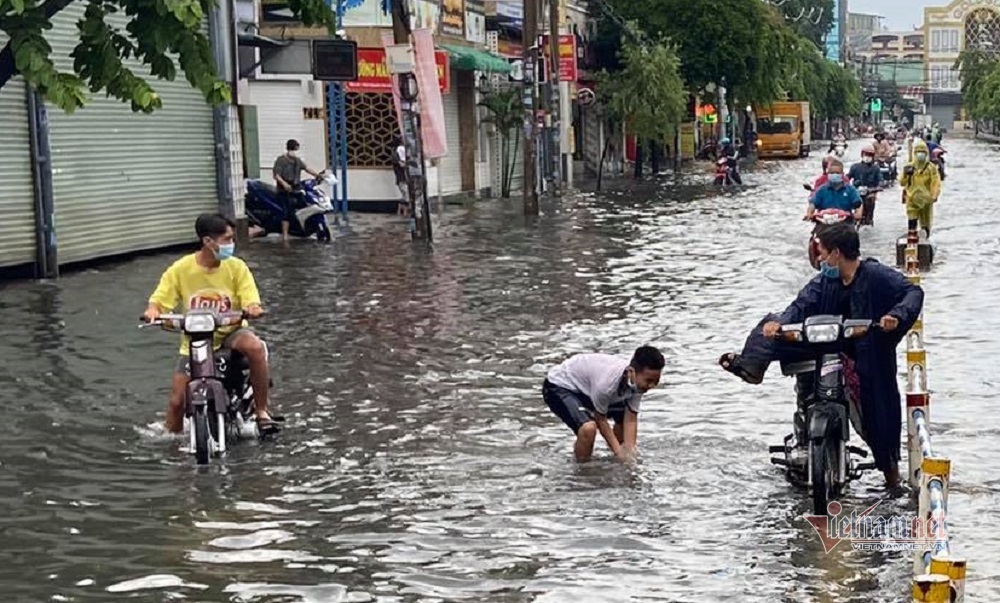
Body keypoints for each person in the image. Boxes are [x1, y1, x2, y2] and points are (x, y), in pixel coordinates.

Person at [718, 223, 924, 489]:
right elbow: (802, 304)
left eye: (824, 253)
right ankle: (751, 367)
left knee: (880, 418)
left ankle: (892, 480)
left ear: (836, 253)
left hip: (867, 353)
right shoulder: (825, 281)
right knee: (770, 323)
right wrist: (780, 324)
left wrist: (895, 316)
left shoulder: (875, 274)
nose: (821, 259)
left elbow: (913, 292)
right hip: (825, 344)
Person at [143, 214, 281, 434]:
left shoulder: (237, 268)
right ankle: (172, 442)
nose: (231, 245)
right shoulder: (180, 269)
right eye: (226, 240)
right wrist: (153, 311)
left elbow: (250, 298)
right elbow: (159, 300)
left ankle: (262, 411)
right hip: (195, 339)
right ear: (208, 241)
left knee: (254, 346)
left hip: (231, 331)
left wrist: (253, 308)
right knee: (176, 402)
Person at [542, 346, 665, 462]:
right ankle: (580, 472)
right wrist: (618, 452)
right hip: (559, 386)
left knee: (623, 429)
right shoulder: (607, 385)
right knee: (588, 429)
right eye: (648, 381)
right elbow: (600, 419)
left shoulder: (638, 384)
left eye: (656, 382)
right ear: (631, 372)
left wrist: (630, 451)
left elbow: (631, 417)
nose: (651, 386)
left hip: (588, 389)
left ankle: (614, 465)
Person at [273, 139, 322, 241]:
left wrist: (318, 175)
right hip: (284, 190)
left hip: (296, 189)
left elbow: (307, 168)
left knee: (304, 204)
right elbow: (277, 175)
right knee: (287, 212)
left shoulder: (297, 161)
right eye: (293, 149)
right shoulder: (281, 160)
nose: (294, 152)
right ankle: (285, 235)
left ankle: (303, 228)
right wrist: (284, 184)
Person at [900, 139, 941, 238]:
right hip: (912, 199)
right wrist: (906, 174)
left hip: (926, 200)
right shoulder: (909, 167)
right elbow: (902, 182)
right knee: (912, 221)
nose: (920, 154)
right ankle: (911, 240)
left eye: (922, 152)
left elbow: (936, 182)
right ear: (914, 153)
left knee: (925, 224)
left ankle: (925, 239)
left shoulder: (931, 168)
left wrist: (934, 195)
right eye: (918, 152)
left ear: (926, 153)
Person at [806, 158, 863, 222]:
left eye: (837, 173)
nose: (834, 175)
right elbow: (813, 204)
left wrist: (858, 213)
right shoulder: (821, 190)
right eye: (832, 173)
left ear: (842, 174)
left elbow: (858, 203)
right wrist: (809, 213)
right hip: (823, 223)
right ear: (828, 174)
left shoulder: (851, 190)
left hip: (845, 223)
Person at [391, 137, 410, 218]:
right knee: (406, 195)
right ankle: (404, 212)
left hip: (401, 179)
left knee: (404, 194)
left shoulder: (395, 154)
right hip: (401, 179)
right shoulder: (398, 152)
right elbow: (402, 165)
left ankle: (400, 211)